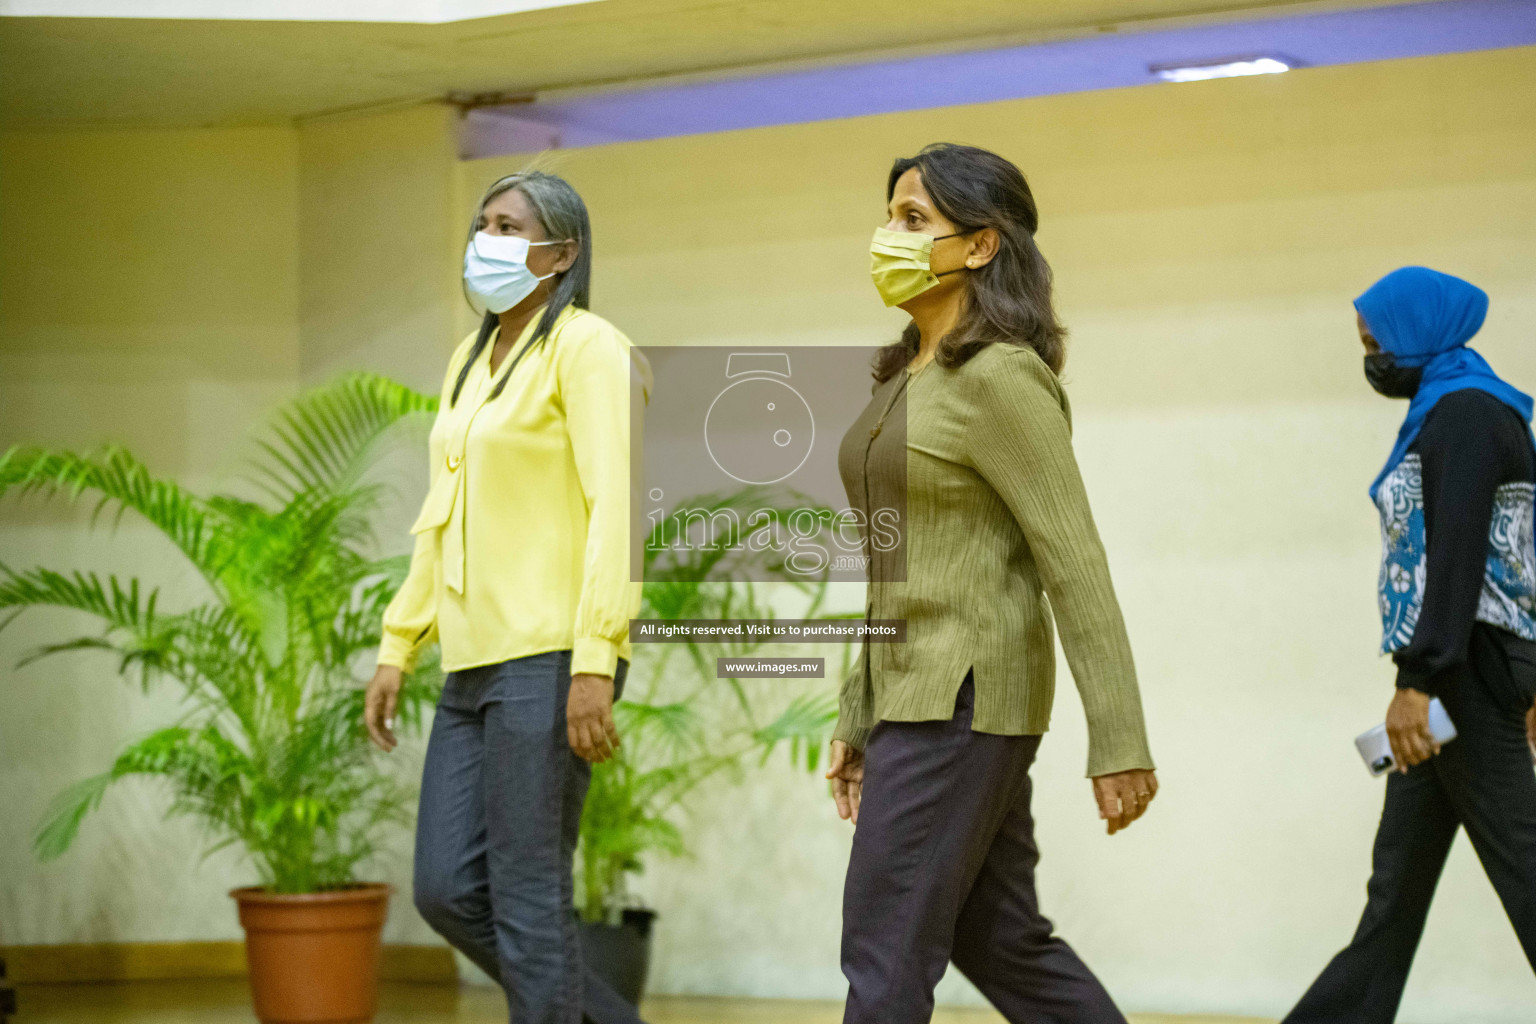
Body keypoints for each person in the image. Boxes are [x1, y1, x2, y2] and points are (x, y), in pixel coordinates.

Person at [825, 142, 1158, 1024]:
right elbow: (893, 565)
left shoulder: (1001, 375)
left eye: (913, 220)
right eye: (889, 215)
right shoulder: (904, 376)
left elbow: (1073, 562)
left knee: (884, 939)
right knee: (997, 938)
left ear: (980, 245)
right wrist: (859, 714)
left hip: (967, 699)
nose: (887, 236)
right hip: (915, 695)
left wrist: (1118, 736)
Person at [362, 170, 651, 1024]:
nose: (484, 239)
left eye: (507, 225)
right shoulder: (467, 359)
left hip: (551, 656)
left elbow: (618, 509)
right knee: (447, 888)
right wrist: (397, 643)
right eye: (481, 223)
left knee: (528, 898)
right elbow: (439, 515)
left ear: (561, 255)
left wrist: (596, 659)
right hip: (470, 659)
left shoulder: (589, 347)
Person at [1283, 267, 1536, 1023]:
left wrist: (1417, 680)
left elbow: (1455, 559)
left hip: (1462, 671)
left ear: (1420, 332)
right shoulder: (1481, 409)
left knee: (1525, 866)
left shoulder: (1461, 415)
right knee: (1395, 891)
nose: (1373, 360)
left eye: (1377, 343)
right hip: (1478, 666)